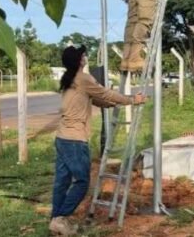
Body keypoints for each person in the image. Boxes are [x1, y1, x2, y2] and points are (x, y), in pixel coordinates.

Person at [50, 45, 146, 236]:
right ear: (79, 61)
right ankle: (61, 217)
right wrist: (132, 99)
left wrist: (110, 104)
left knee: (62, 180)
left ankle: (56, 219)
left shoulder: (69, 79)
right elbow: (105, 93)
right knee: (82, 182)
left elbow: (93, 99)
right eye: (83, 55)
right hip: (75, 140)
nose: (86, 56)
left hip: (62, 137)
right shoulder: (84, 78)